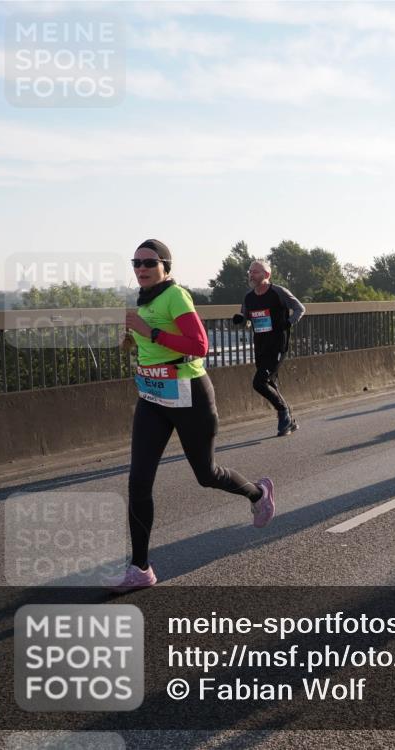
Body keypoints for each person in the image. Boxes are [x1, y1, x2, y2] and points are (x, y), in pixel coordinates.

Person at [106, 239, 275, 592]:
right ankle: (140, 568)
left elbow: (199, 346)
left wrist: (148, 331)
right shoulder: (145, 299)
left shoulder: (176, 296)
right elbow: (153, 341)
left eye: (149, 263)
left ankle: (258, 494)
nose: (141, 269)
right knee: (138, 481)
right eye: (135, 262)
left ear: (166, 266)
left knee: (206, 474)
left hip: (189, 396)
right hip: (152, 397)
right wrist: (135, 339)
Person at [232, 260, 306, 436]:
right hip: (260, 344)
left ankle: (283, 413)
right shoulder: (249, 297)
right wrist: (241, 320)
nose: (251, 275)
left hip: (278, 344)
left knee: (260, 382)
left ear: (267, 275)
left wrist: (288, 323)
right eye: (250, 272)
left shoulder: (278, 292)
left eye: (255, 272)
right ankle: (289, 420)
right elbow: (247, 320)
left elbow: (300, 308)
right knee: (270, 382)